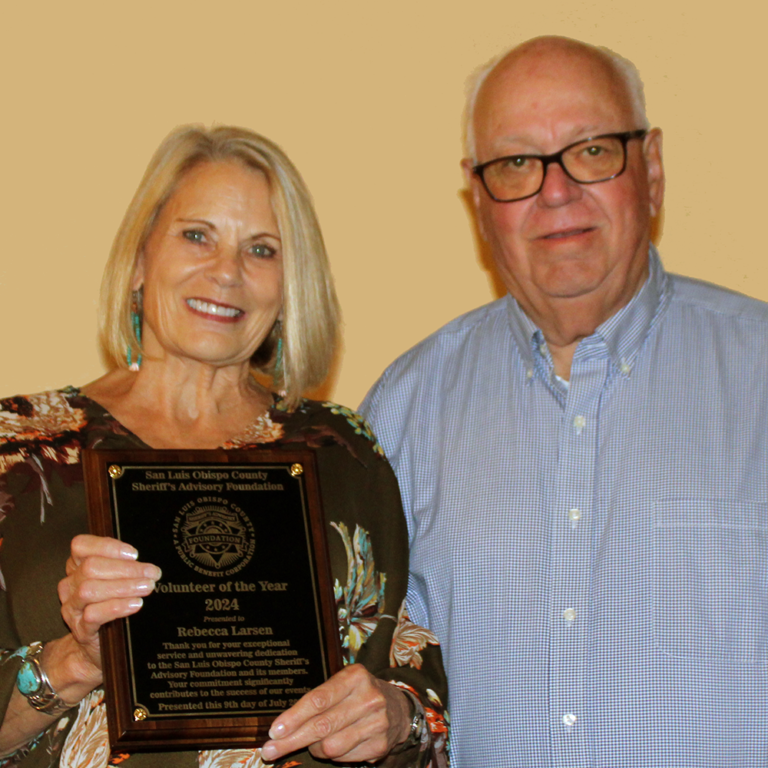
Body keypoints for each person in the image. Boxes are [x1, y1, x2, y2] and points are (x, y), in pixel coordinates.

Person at [361, 35, 768, 767]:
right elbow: (377, 674)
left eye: (591, 151)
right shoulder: (405, 407)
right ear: (478, 196)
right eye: (516, 163)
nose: (555, 191)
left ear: (651, 169)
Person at [0, 125, 448, 768]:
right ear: (139, 259)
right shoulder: (20, 450)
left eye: (261, 249)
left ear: (289, 290)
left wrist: (397, 716)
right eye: (197, 235)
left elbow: (417, 683)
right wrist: (74, 661)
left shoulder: (341, 451)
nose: (227, 272)